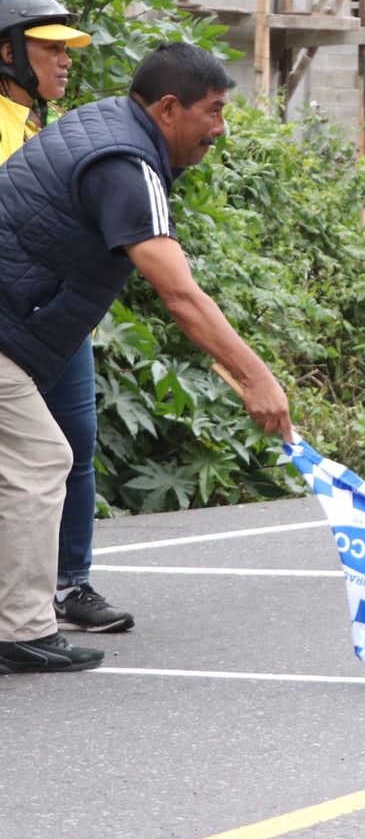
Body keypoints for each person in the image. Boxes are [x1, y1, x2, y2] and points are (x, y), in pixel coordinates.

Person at [0, 42, 293, 674]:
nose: (220, 129)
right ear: (168, 108)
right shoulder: (126, 162)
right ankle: (19, 630)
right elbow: (180, 293)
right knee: (41, 458)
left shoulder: (106, 125)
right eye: (213, 112)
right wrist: (257, 378)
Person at [0, 0, 135, 634]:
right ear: (7, 52)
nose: (65, 61)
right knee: (36, 454)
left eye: (68, 51)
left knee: (74, 446)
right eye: (49, 49)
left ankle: (69, 584)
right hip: (10, 320)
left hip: (60, 317)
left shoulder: (47, 123)